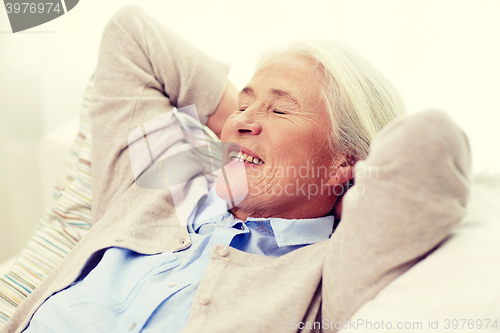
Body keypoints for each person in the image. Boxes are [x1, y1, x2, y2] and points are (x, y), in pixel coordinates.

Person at [1, 5, 471, 333]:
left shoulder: (330, 269)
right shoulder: (169, 182)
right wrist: (247, 126)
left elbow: (429, 142)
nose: (244, 121)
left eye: (281, 110)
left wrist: (343, 184)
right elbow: (131, 34)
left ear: (347, 161)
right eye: (244, 106)